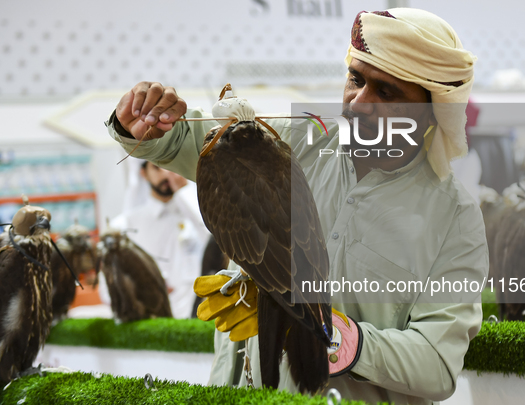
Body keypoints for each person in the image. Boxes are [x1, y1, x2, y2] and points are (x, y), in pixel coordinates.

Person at [105, 8, 488, 405]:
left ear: (429, 113)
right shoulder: (289, 143)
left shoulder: (455, 220)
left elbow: (438, 364)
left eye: (386, 93)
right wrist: (145, 125)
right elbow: (187, 143)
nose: (359, 102)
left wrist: (337, 338)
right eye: (356, 79)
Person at [98, 160, 211, 319]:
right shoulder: (123, 226)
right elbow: (107, 288)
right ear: (143, 173)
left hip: (198, 318)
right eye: (157, 167)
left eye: (172, 166)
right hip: (148, 320)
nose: (166, 173)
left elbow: (220, 246)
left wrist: (185, 193)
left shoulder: (197, 218)